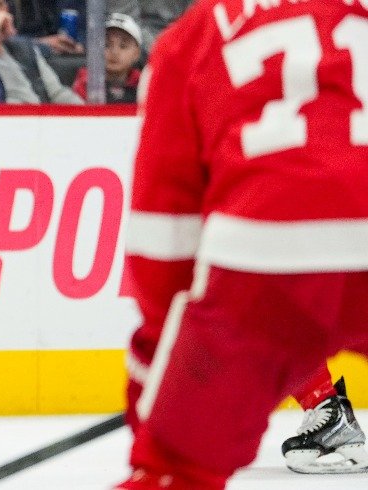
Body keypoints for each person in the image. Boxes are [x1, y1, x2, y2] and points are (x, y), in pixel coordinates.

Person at [117, 0, 368, 488]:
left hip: (269, 248)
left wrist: (163, 411)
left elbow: (164, 249)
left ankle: (323, 411)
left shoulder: (193, 37)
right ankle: (325, 409)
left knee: (176, 471)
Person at [71, 13, 142, 103]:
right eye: (107, 45)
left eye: (123, 46)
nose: (115, 52)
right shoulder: (85, 83)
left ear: (136, 53)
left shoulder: (144, 84)